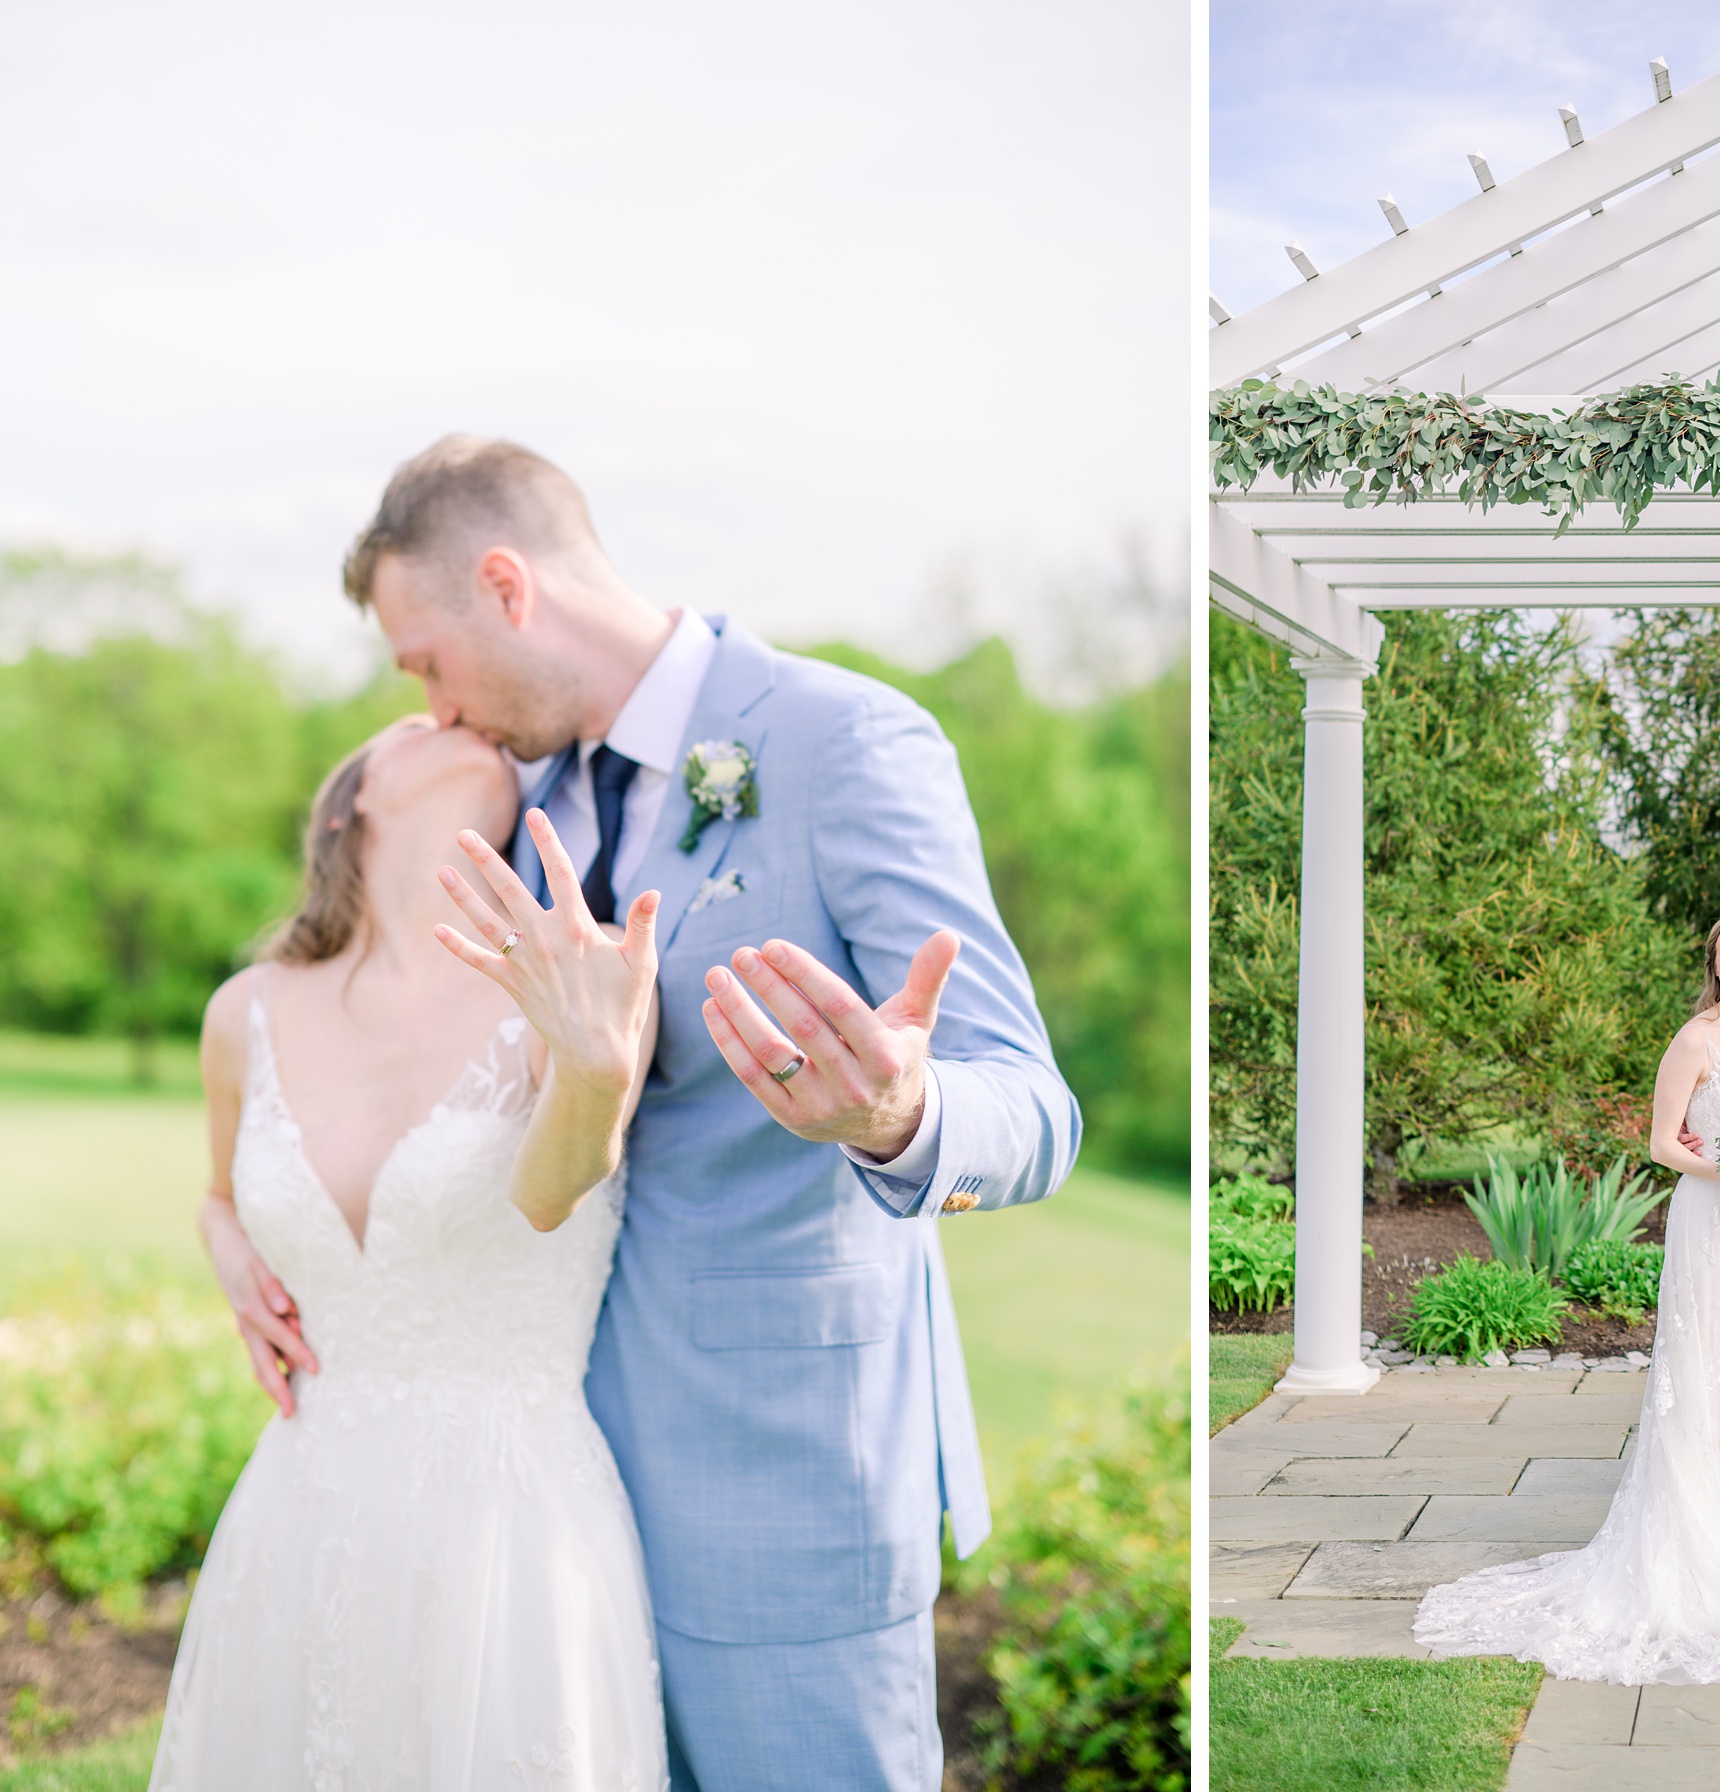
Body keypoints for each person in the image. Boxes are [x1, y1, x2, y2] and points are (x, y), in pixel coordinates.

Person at [200, 436, 1079, 1790]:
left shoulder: (840, 740)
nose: (434, 710)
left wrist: (902, 1113)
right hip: (539, 1518)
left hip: (780, 1482)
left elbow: (1031, 1106)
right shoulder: (513, 800)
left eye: (425, 661)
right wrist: (243, 1230)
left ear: (505, 583)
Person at [158, 718, 671, 1787]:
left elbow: (552, 1193)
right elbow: (219, 1197)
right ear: (352, 804)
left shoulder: (577, 972)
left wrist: (593, 1071)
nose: (454, 718)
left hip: (510, 1514)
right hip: (303, 1503)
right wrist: (228, 1256)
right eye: (416, 720)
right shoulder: (242, 1011)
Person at [1412, 912, 1720, 1683]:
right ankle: (1691, 1544)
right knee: (1702, 1371)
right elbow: (1659, 1143)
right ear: (1713, 965)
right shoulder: (1694, 1039)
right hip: (1711, 1221)